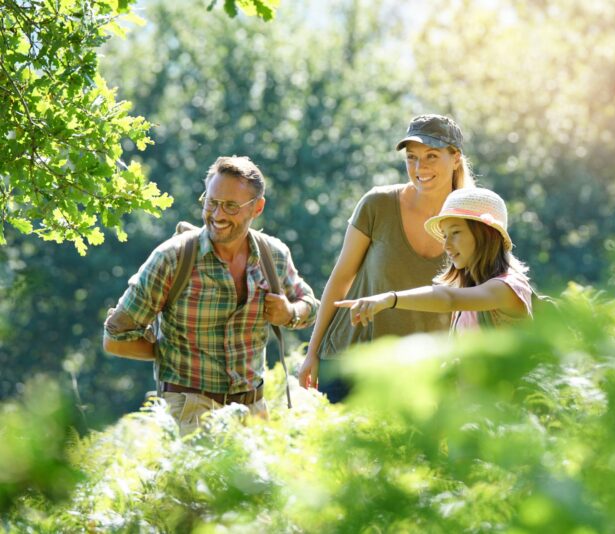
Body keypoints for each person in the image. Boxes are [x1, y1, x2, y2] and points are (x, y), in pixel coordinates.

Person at [104, 156, 319, 435]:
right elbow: (115, 340)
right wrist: (173, 353)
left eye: (231, 206)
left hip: (253, 414)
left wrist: (290, 313)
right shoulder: (171, 258)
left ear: (257, 208)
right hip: (188, 412)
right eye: (211, 202)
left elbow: (310, 306)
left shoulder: (273, 256)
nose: (217, 215)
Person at [298, 114, 476, 402]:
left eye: (432, 156)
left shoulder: (474, 220)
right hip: (348, 362)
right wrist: (312, 352)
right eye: (412, 157)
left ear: (455, 157)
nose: (420, 167)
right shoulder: (377, 204)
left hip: (419, 377)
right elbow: (341, 278)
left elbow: (481, 297)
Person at [335, 187, 535, 331]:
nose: (446, 246)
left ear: (486, 235)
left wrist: (388, 299)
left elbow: (448, 299)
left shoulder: (507, 288)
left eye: (455, 232)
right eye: (444, 235)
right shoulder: (467, 291)